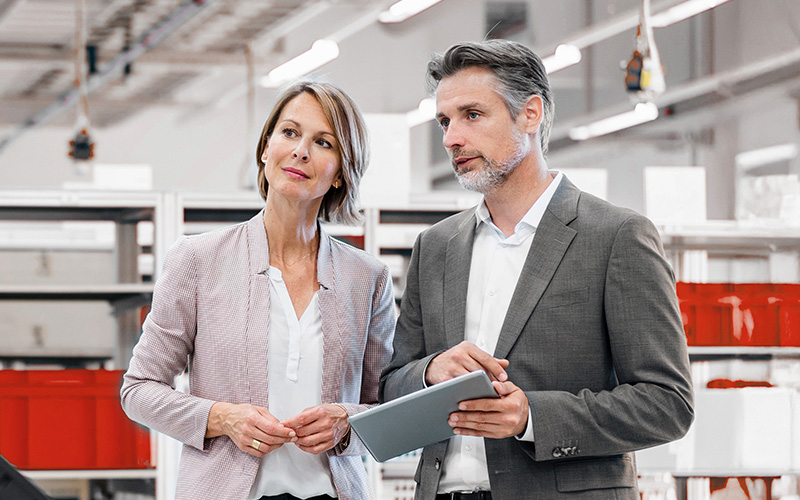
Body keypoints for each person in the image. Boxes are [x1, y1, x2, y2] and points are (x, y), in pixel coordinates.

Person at [378, 39, 694, 500]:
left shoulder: (616, 236)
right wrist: (430, 372)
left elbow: (668, 403)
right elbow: (392, 384)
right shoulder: (437, 246)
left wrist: (532, 418)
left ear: (530, 114)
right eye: (444, 121)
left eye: (472, 114)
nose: (450, 138)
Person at [121, 80, 395, 500]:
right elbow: (139, 389)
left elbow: (388, 410)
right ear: (266, 149)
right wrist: (221, 417)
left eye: (323, 142)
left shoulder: (367, 278)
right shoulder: (198, 260)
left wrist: (346, 423)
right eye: (289, 133)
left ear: (340, 172)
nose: (301, 150)